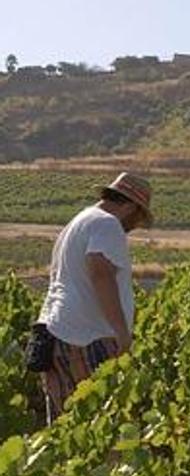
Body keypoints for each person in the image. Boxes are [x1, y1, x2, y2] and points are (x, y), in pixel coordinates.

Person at [35, 172, 153, 423]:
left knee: (66, 425)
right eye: (138, 218)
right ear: (131, 206)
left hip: (58, 332)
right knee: (104, 424)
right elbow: (100, 273)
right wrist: (121, 332)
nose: (133, 227)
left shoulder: (77, 223)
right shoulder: (106, 224)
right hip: (88, 338)